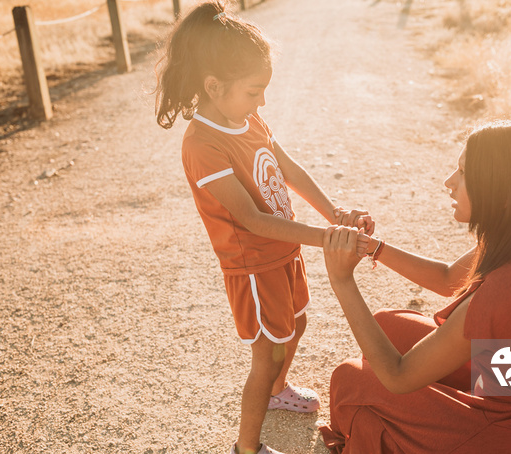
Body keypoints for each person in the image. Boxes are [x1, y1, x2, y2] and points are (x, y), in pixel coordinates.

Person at [154, 2, 374, 454]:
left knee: (297, 322)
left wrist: (334, 212)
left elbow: (285, 165)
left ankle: (279, 391)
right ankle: (246, 448)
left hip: (284, 252)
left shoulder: (247, 117)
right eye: (255, 91)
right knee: (264, 354)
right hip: (254, 265)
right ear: (214, 87)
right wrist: (328, 239)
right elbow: (251, 219)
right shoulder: (203, 144)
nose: (263, 102)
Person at [319, 119, 511, 453]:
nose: (449, 183)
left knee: (352, 379)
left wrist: (341, 280)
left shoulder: (505, 290)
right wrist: (373, 247)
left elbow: (399, 376)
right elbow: (446, 278)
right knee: (387, 325)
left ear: (505, 191)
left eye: (465, 173)